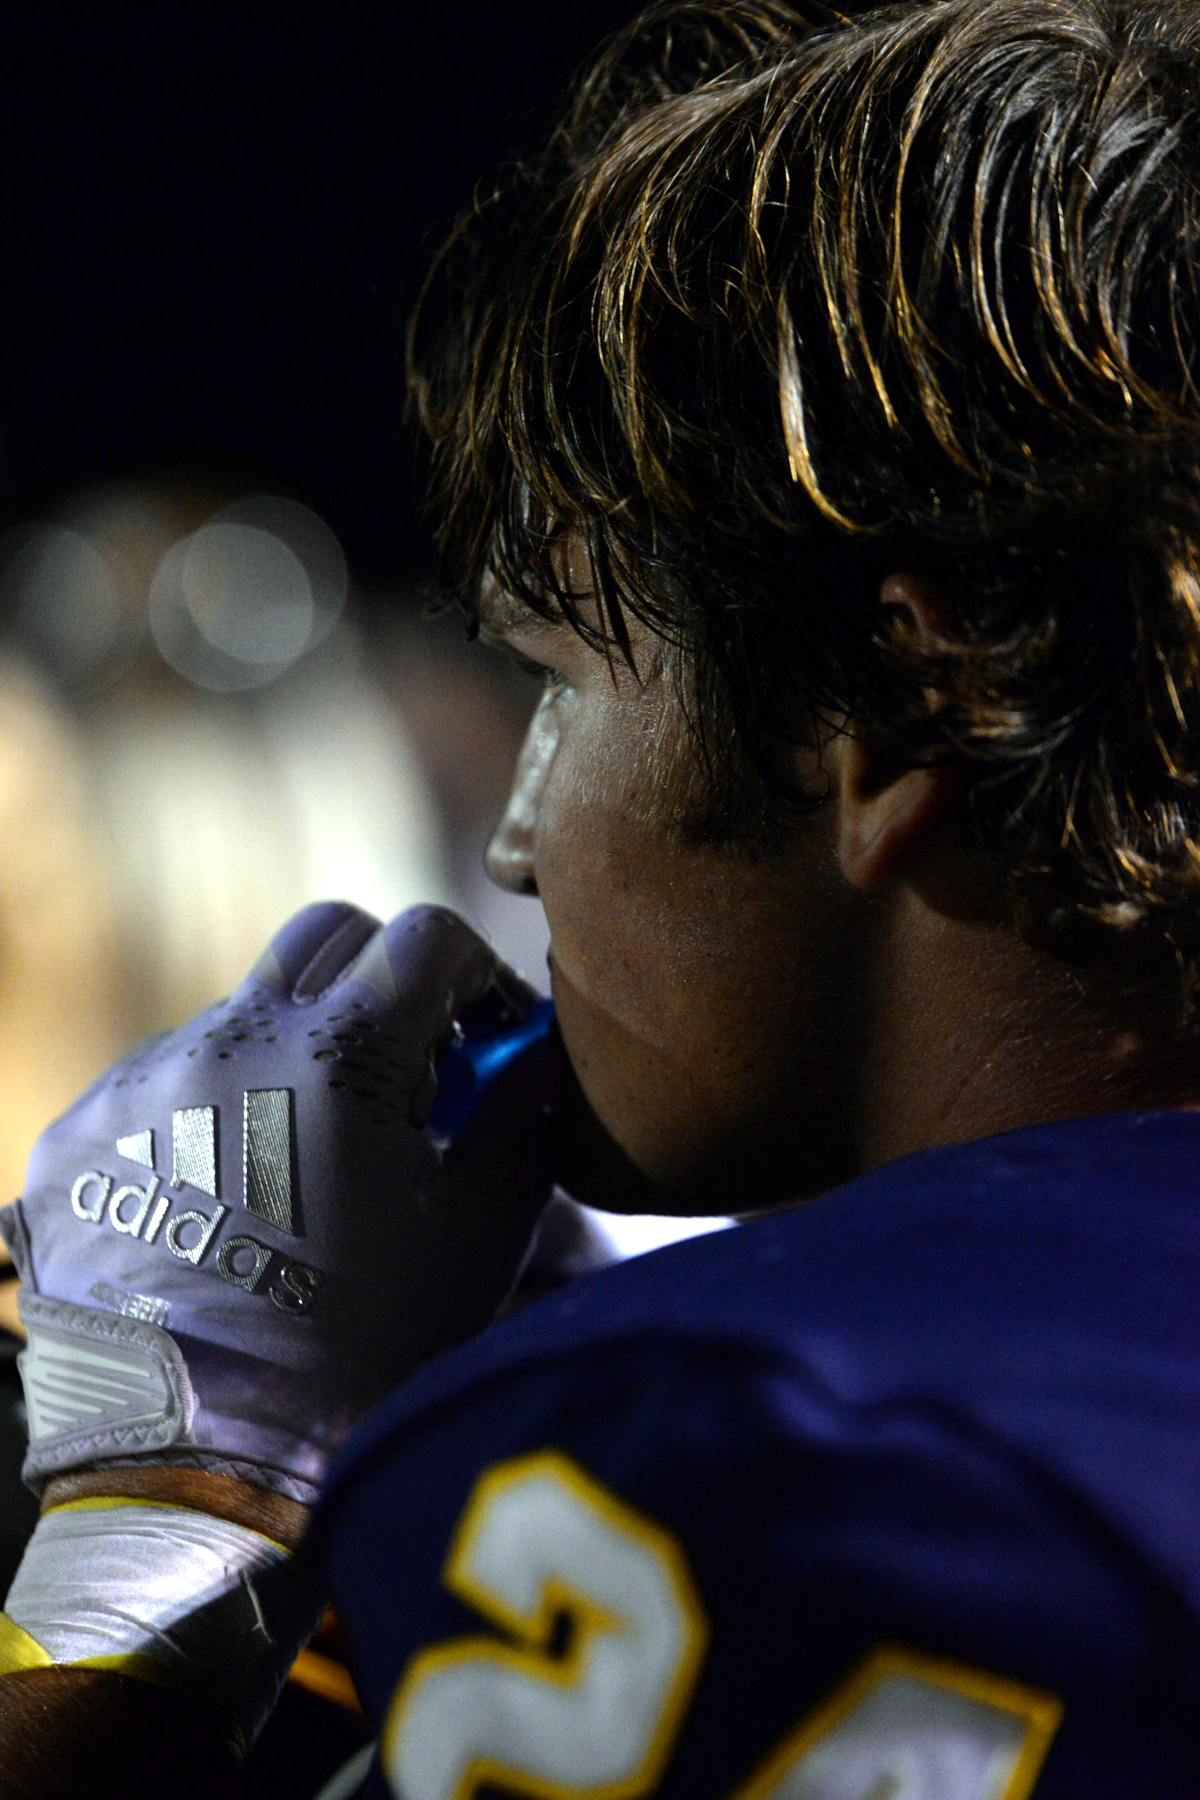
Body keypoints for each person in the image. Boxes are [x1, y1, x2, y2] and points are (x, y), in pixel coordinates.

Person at [2, 0, 1200, 1793]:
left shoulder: (758, 1447)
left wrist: (181, 1492)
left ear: (889, 717)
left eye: (564, 676)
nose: (514, 843)